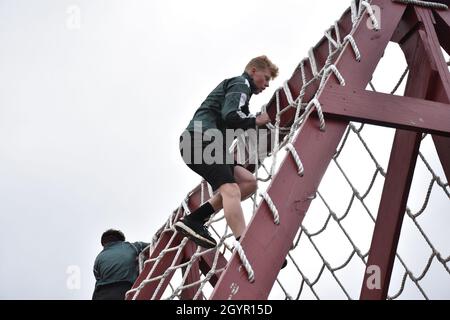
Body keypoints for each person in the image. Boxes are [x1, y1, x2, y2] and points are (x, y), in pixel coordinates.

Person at [175, 55, 278, 249]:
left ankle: (196, 219)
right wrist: (255, 120)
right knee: (230, 189)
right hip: (200, 139)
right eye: (266, 78)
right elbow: (231, 115)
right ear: (253, 71)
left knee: (247, 182)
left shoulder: (241, 95)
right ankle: (246, 243)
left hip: (206, 143)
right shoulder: (241, 84)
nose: (267, 85)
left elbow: (232, 119)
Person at [92, 229, 149, 300]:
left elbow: (98, 278)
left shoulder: (98, 258)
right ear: (121, 240)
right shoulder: (132, 247)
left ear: (104, 243)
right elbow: (153, 244)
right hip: (125, 290)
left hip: (101, 294)